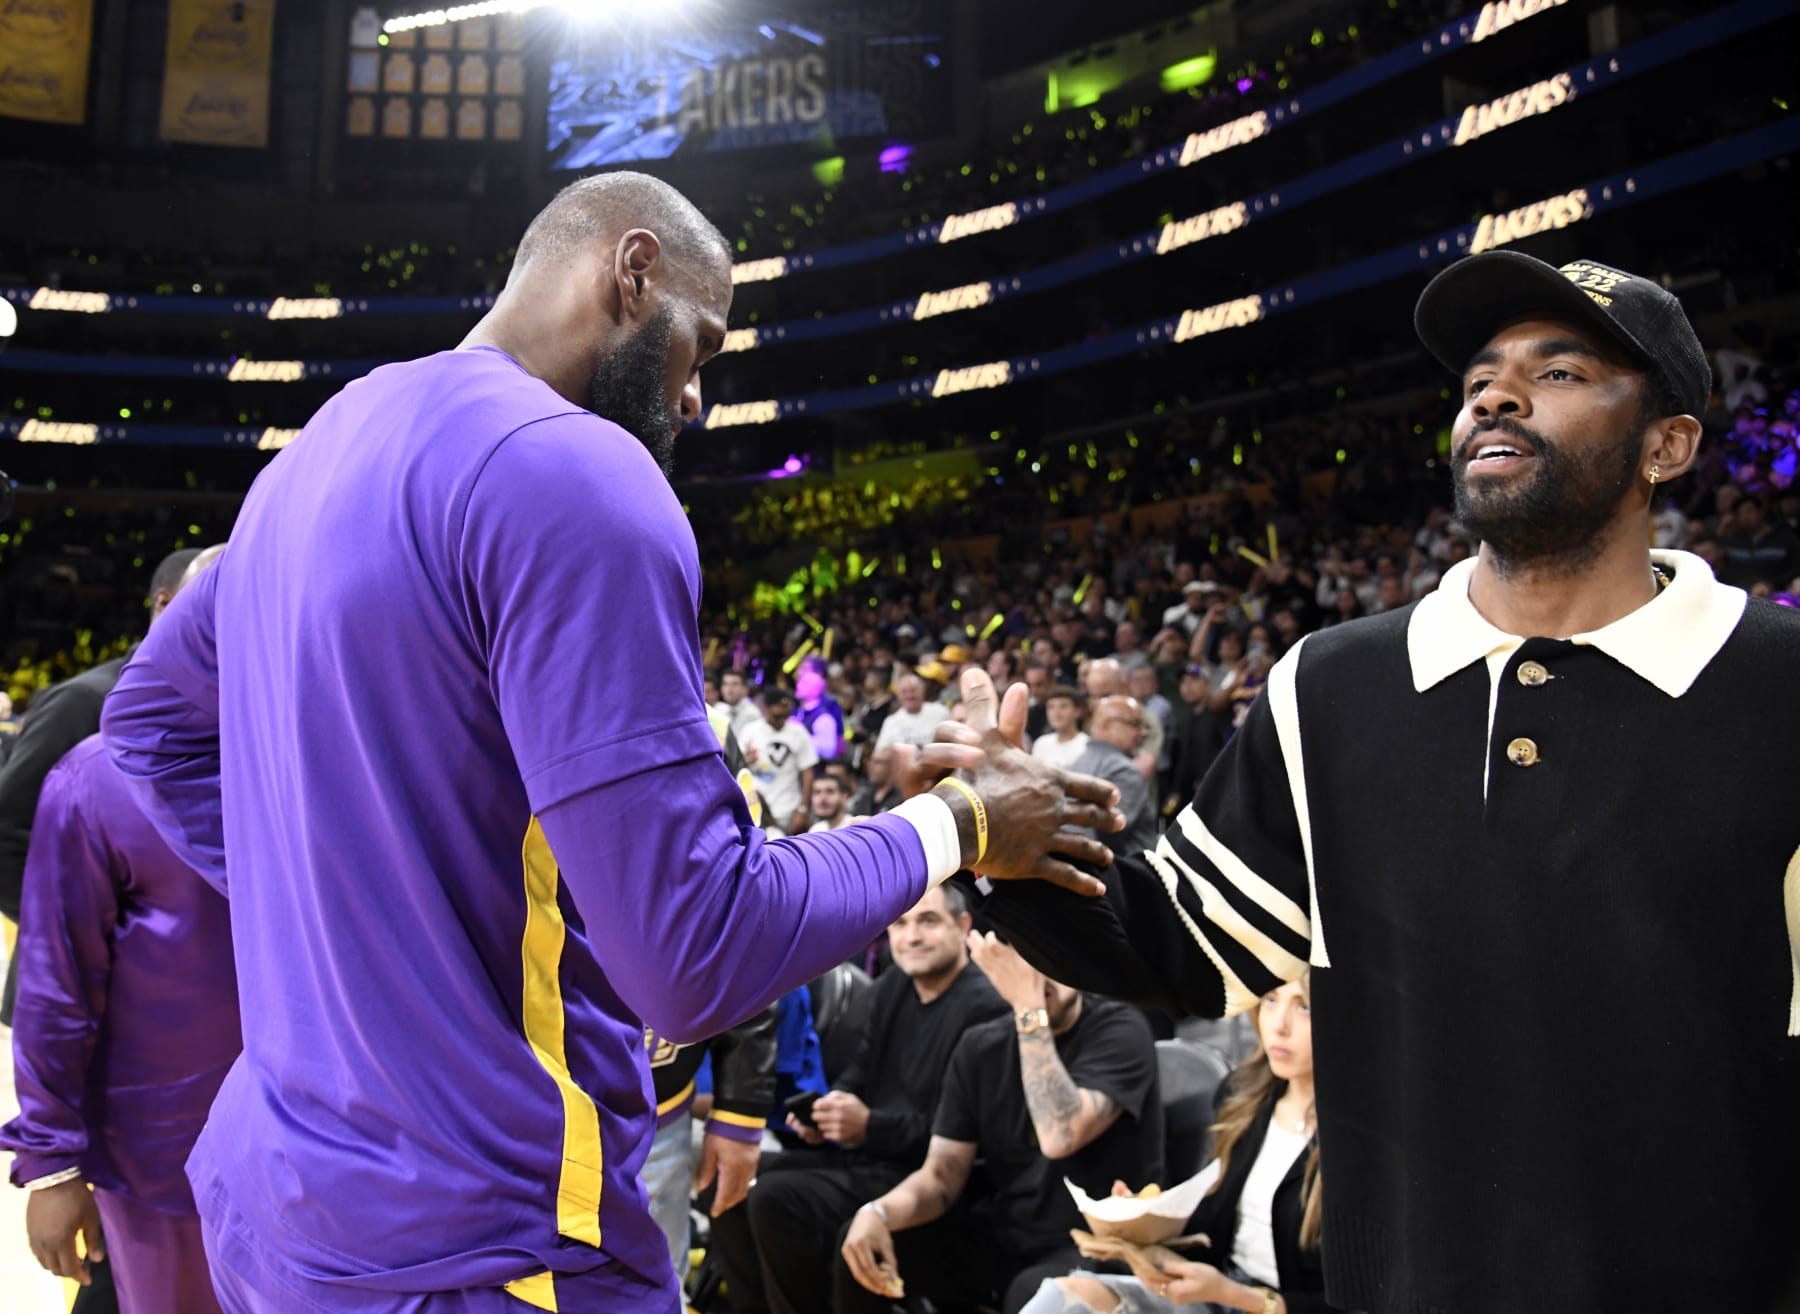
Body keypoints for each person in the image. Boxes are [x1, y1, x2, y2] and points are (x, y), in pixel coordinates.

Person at [99, 172, 1122, 1314]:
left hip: (280, 1205)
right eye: (702, 343)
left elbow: (147, 728)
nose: (697, 396)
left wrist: (370, 915)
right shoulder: (576, 471)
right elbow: (697, 955)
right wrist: (963, 820)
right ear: (633, 273)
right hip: (489, 1241)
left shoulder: (318, 452)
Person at [971, 252, 1800, 1314]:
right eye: (1480, 380)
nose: (1496, 396)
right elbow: (1178, 941)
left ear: (1667, 445)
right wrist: (1006, 841)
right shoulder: (1331, 684)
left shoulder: (1777, 686)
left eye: (1558, 373)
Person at [3, 536, 235, 1311]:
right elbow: (55, 984)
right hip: (163, 1154)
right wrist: (53, 1164)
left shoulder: (329, 759)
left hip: (329, 1150)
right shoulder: (94, 776)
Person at [714, 883, 1010, 1314]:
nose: (912, 937)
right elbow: (860, 1069)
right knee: (729, 1180)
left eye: (928, 921)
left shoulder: (988, 1007)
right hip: (869, 1158)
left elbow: (959, 1138)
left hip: (928, 1180)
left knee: (778, 1199)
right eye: (901, 924)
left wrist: (867, 1126)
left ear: (963, 926)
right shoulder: (894, 986)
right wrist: (830, 1111)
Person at [838, 933, 1162, 1314]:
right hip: (1008, 1235)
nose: (1039, 977)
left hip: (1100, 1244)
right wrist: (878, 1213)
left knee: (1035, 1292)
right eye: (1026, 964)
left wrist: (1028, 1008)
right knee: (864, 1244)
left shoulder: (1121, 1029)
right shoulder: (980, 1047)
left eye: (1052, 961)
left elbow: (1059, 1135)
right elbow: (941, 1176)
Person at [1020, 978, 1326, 1314]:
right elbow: (1213, 1232)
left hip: (1276, 1305)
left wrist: (1236, 1295)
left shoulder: (1358, 1141)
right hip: (1220, 1293)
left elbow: (1356, 1302)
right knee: (1066, 1297)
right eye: (1270, 1000)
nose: (1279, 1025)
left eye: (1303, 1007)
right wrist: (1141, 1224)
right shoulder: (1244, 1097)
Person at [643, 1005, 776, 1284]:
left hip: (659, 1119)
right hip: (549, 1114)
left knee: (657, 1282)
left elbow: (739, 981)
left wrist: (740, 1112)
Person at [1067, 697, 1158, 857]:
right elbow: (1111, 828)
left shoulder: (1077, 763)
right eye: (1136, 724)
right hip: (1122, 868)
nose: (1143, 732)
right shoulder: (1124, 770)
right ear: (1107, 725)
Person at [741, 688, 820, 837]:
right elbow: (738, 770)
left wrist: (803, 809)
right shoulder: (750, 731)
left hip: (789, 807)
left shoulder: (798, 732)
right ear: (765, 709)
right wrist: (745, 761)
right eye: (777, 716)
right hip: (757, 807)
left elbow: (808, 772)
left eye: (785, 716)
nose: (781, 720)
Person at [872, 673, 949, 752]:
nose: (909, 695)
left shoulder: (941, 712)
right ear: (898, 695)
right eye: (904, 692)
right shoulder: (891, 722)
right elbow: (879, 753)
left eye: (913, 690)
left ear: (923, 691)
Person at [1030, 686, 1089, 771]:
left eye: (1064, 706)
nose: (1057, 712)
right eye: (1051, 707)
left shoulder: (1086, 745)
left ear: (1077, 711)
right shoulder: (1041, 743)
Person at [847, 746, 902, 817]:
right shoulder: (864, 796)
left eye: (878, 762)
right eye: (871, 761)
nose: (871, 766)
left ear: (892, 766)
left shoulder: (901, 799)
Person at [720, 668, 763, 738]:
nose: (729, 689)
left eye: (734, 684)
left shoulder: (752, 714)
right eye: (725, 684)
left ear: (744, 689)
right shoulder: (720, 711)